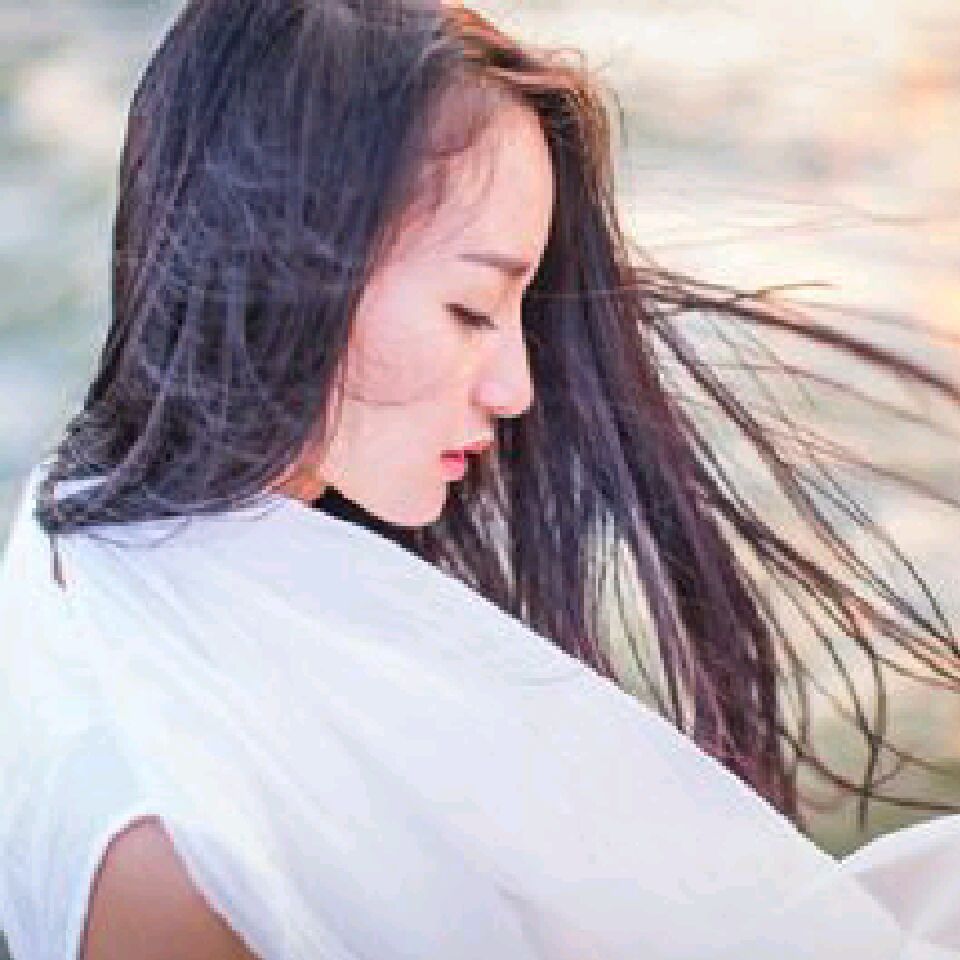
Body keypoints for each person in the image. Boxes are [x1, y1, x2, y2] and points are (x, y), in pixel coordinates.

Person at [2, 0, 960, 957]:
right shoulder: (176, 862)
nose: (517, 387)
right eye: (470, 309)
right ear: (284, 266)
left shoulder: (84, 530)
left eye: (517, 310)